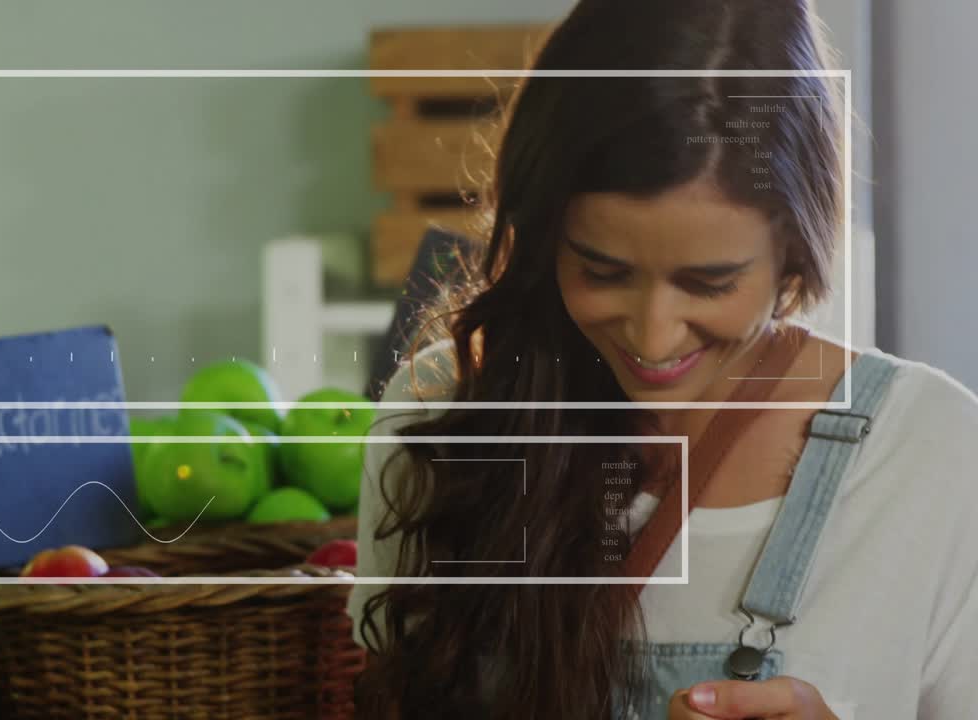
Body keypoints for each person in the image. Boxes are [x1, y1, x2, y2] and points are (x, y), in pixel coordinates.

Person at [345, 1, 978, 718]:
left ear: (795, 248)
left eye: (710, 284)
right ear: (544, 227)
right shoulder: (442, 411)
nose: (652, 337)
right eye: (602, 270)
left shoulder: (930, 453)